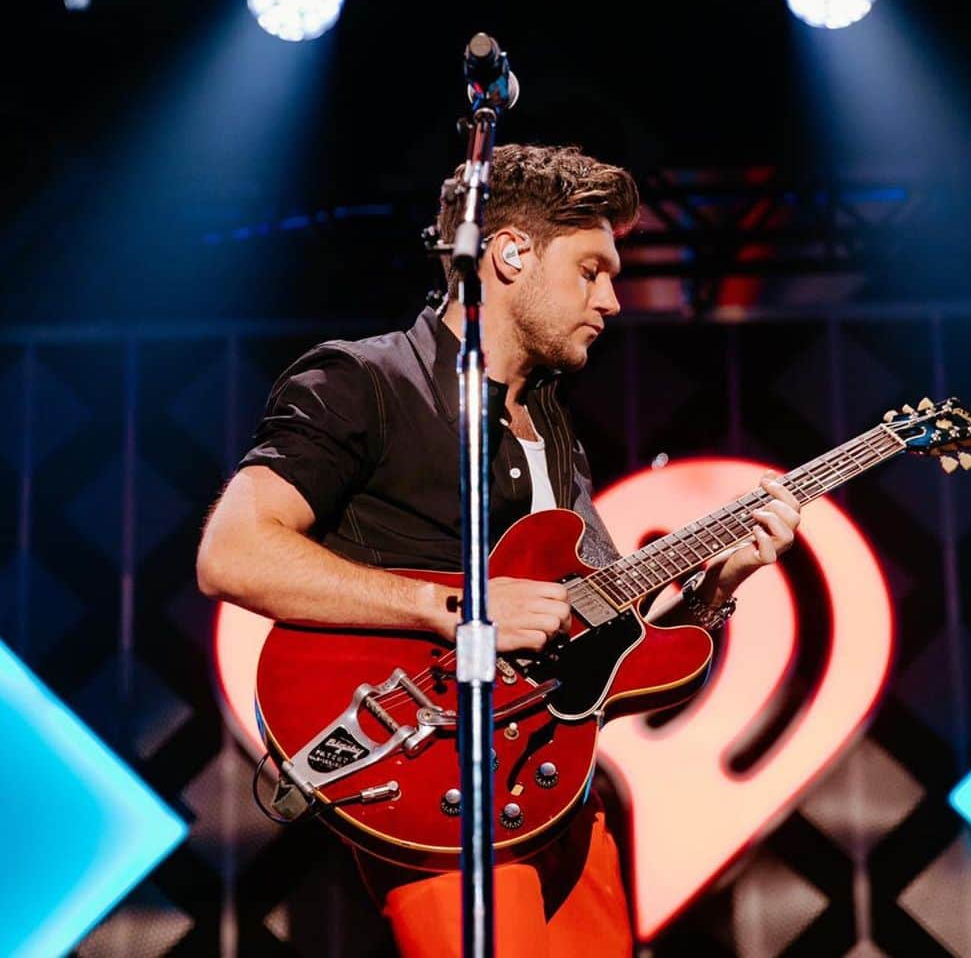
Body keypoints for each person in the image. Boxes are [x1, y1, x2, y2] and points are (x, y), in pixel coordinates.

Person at [196, 143, 802, 957]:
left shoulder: (556, 426)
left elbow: (603, 649)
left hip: (559, 787)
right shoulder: (363, 381)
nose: (614, 299)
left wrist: (709, 594)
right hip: (430, 769)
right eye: (592, 270)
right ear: (510, 254)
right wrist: (456, 610)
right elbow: (233, 553)